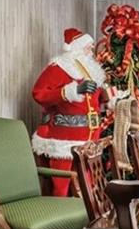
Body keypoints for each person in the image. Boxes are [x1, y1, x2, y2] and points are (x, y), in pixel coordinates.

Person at [31, 27, 110, 195]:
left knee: (86, 184)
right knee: (61, 185)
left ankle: (85, 218)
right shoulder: (59, 67)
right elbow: (39, 94)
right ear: (76, 47)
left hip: (89, 138)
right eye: (87, 46)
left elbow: (94, 98)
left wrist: (108, 99)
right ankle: (59, 219)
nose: (91, 48)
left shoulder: (89, 68)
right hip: (65, 138)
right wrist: (70, 91)